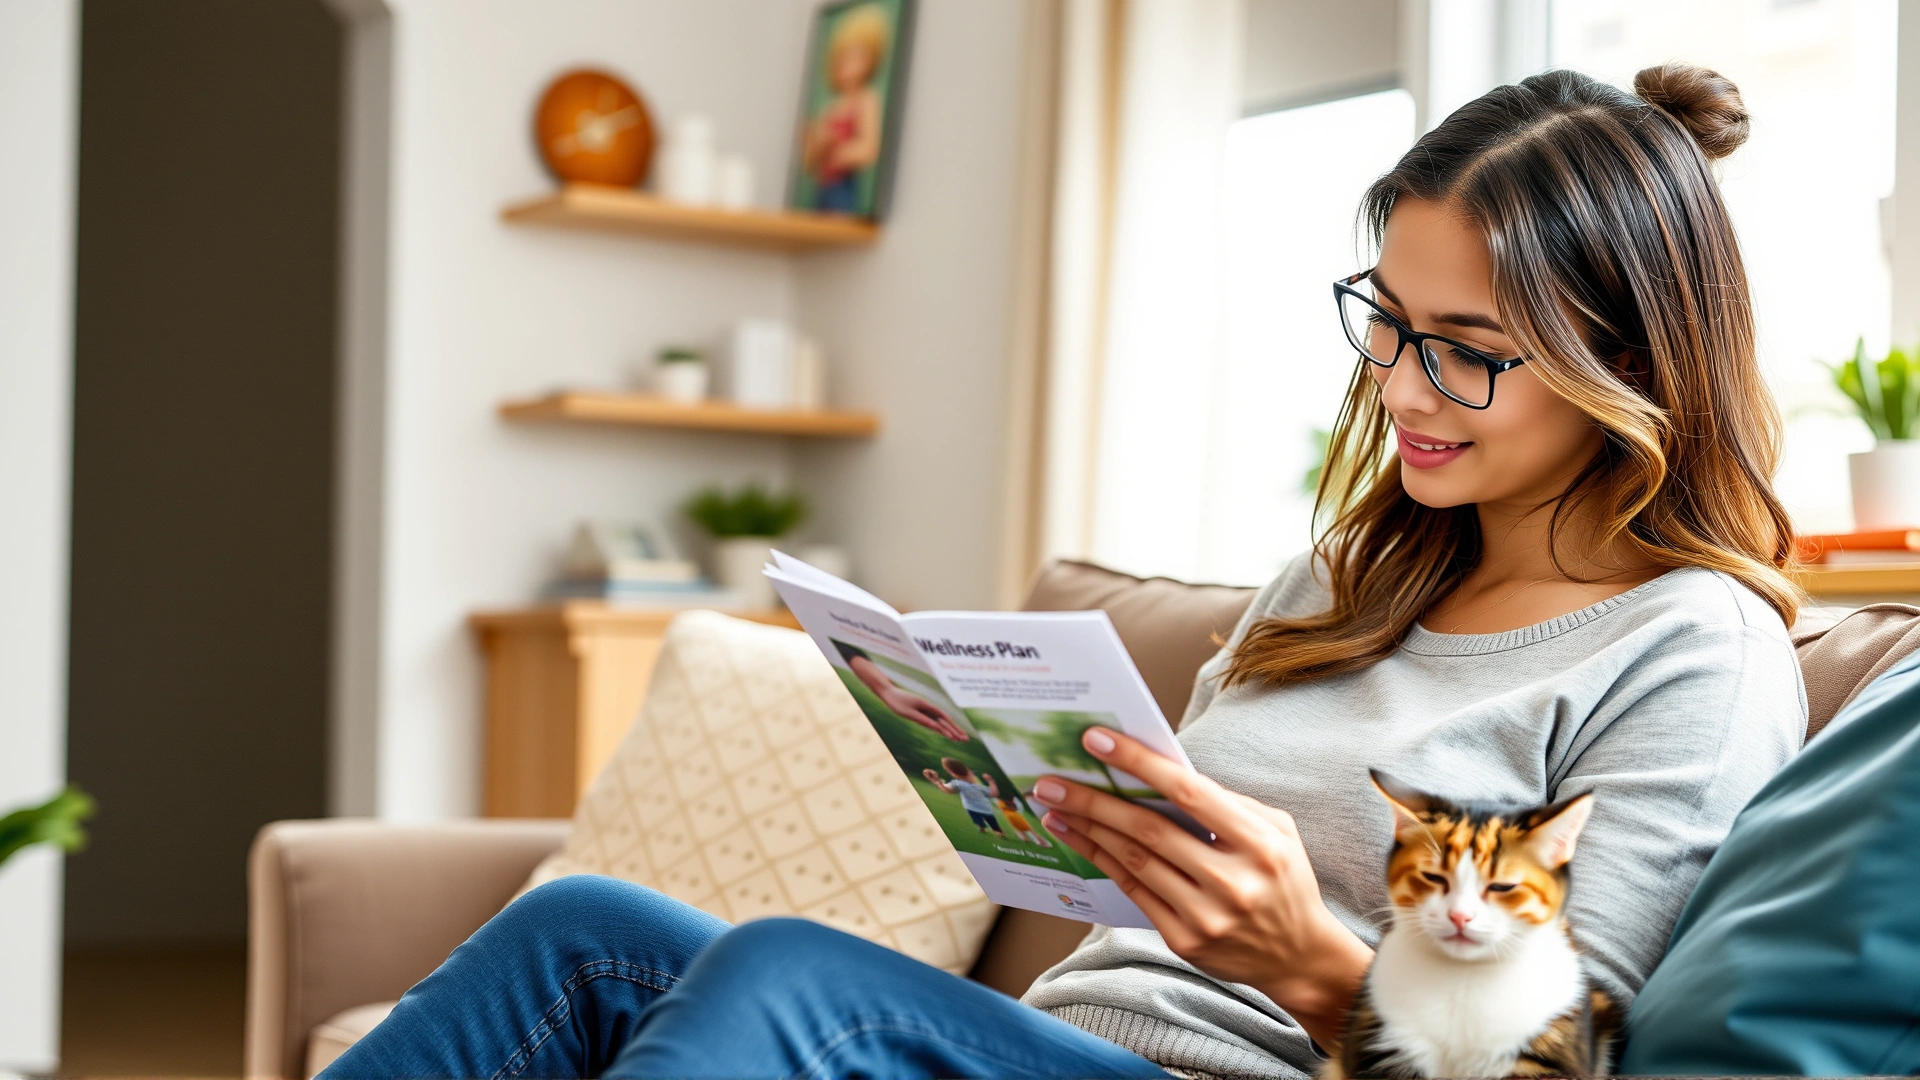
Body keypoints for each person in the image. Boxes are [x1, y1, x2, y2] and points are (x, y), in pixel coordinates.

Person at [323, 64, 1805, 1080]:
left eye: (1471, 353)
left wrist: (1306, 961)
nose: (1403, 390)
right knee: (588, 931)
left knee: (782, 974)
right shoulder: (1338, 582)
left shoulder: (1693, 650)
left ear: (1631, 361)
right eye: (1387, 320)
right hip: (1063, 1039)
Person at [802, 3, 888, 214]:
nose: (848, 64)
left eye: (857, 56)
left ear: (870, 60)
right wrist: (815, 142)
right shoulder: (831, 108)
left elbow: (870, 149)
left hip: (843, 191)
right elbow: (809, 162)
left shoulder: (867, 101)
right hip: (822, 191)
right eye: (844, 56)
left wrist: (836, 151)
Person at [922, 757, 1006, 836]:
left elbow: (947, 789)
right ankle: (987, 829)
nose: (971, 773)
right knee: (982, 822)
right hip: (980, 808)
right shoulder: (963, 784)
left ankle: (991, 830)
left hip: (974, 808)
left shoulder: (962, 784)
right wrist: (991, 781)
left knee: (983, 821)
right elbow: (994, 793)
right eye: (970, 772)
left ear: (953, 773)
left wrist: (936, 781)